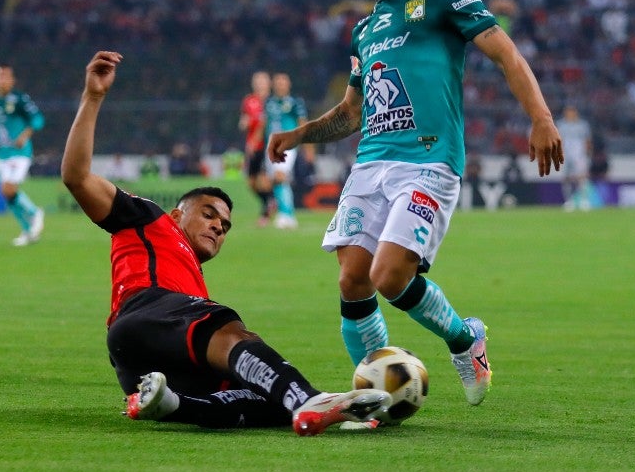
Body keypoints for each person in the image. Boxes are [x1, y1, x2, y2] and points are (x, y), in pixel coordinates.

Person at [267, 0, 563, 410]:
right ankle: (376, 394)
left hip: (428, 161)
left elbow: (505, 53)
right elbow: (352, 113)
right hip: (370, 164)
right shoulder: (365, 29)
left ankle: (465, 339)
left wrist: (541, 118)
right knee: (353, 278)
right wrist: (300, 134)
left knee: (389, 276)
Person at [61, 50, 391, 436]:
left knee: (263, 399)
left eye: (226, 224)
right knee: (233, 334)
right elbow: (77, 178)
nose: (219, 226)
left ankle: (172, 404)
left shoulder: (191, 279)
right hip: (145, 312)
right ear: (176, 214)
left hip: (142, 365)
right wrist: (94, 97)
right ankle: (308, 398)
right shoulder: (148, 218)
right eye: (208, 213)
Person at [0, 64, 46, 246]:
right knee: (6, 193)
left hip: (20, 152)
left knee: (9, 188)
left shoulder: (19, 99)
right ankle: (27, 231)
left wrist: (24, 135)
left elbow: (38, 119)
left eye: (4, 76)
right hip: (2, 153)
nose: (1, 80)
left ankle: (34, 213)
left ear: (12, 80)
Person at [263, 72, 310, 229]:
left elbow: (303, 123)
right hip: (271, 145)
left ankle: (286, 215)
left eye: (283, 82)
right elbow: (265, 124)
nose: (280, 85)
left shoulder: (295, 103)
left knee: (280, 175)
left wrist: (307, 145)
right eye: (278, 82)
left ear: (288, 84)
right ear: (273, 85)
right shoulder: (268, 102)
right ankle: (286, 213)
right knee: (276, 179)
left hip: (287, 144)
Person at [238, 70, 274, 226]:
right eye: (257, 81)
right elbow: (244, 120)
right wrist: (243, 124)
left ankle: (266, 212)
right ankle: (270, 201)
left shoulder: (272, 102)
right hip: (253, 146)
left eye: (262, 81)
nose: (259, 83)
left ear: (268, 83)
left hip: (267, 145)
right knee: (251, 183)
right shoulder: (249, 100)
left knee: (264, 180)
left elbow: (266, 123)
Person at [556, 105, 592, 211]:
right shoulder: (561, 125)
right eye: (568, 112)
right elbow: (559, 140)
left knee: (582, 178)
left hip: (579, 154)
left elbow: (587, 141)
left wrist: (587, 154)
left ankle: (584, 201)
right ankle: (569, 201)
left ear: (576, 113)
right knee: (566, 178)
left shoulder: (582, 125)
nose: (570, 114)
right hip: (566, 155)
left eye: (572, 112)